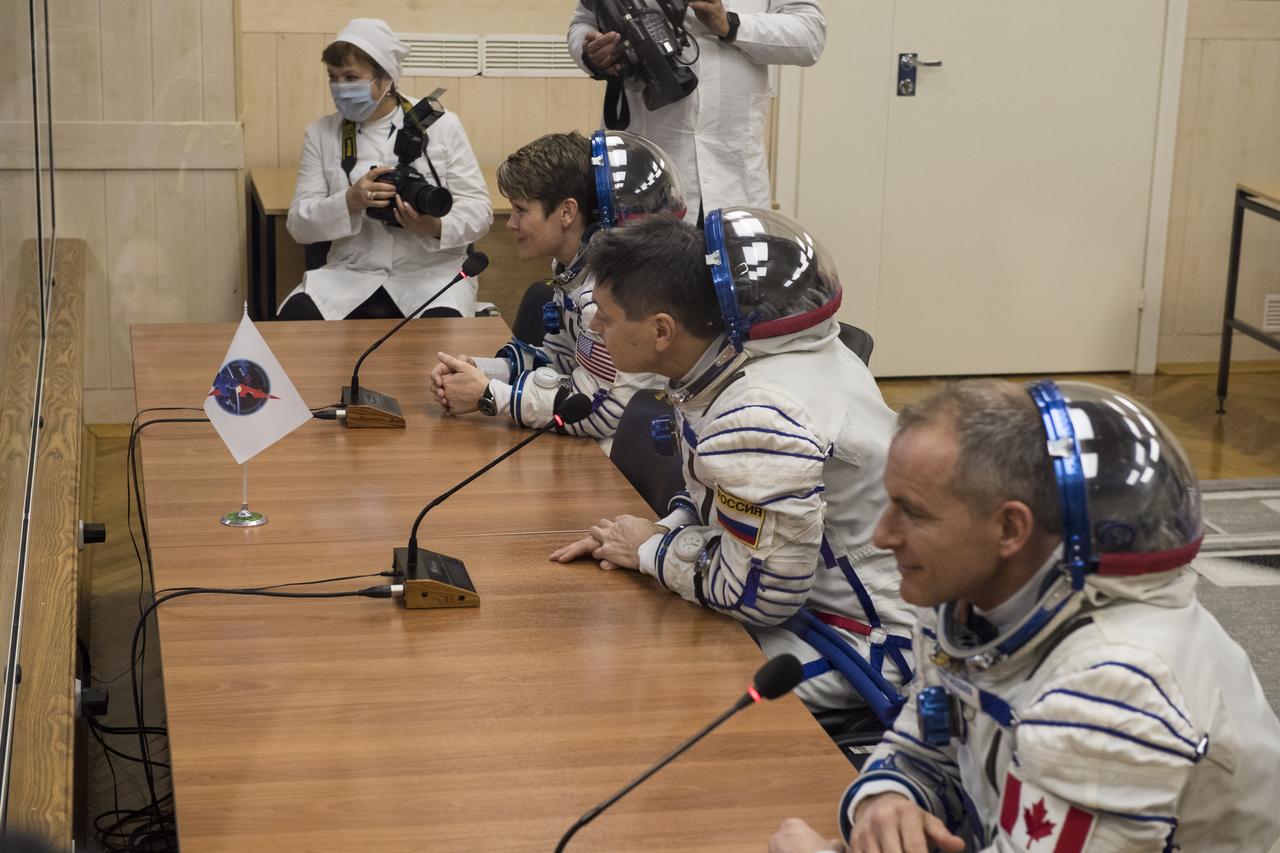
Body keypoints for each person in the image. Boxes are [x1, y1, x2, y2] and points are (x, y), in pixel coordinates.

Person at [769, 379, 1280, 852]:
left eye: (914, 512)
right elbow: (924, 745)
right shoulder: (975, 598)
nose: (882, 535)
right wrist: (887, 799)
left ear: (1010, 529)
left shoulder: (1115, 687)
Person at [550, 210, 914, 714]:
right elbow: (718, 500)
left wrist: (652, 549)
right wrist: (653, 532)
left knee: (641, 684)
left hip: (866, 644)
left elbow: (760, 596)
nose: (592, 323)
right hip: (812, 604)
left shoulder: (761, 412)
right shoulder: (738, 359)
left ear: (661, 331)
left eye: (607, 317)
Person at [429, 130, 684, 451]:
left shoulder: (608, 294)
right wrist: (480, 371)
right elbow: (561, 362)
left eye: (521, 210)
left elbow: (600, 410)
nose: (510, 223)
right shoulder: (574, 268)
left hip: (624, 452)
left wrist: (489, 395)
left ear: (566, 212)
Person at [280, 18, 492, 320]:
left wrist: (434, 227)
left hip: (430, 276)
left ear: (386, 78)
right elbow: (298, 224)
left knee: (440, 344)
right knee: (293, 323)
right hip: (349, 276)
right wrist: (349, 201)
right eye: (333, 77)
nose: (340, 87)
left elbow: (479, 212)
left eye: (351, 76)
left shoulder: (442, 125)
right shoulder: (321, 133)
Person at [568, 0, 826, 221]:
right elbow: (582, 25)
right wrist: (592, 55)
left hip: (734, 171)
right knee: (643, 274)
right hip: (647, 170)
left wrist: (730, 24)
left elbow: (810, 36)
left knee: (732, 274)